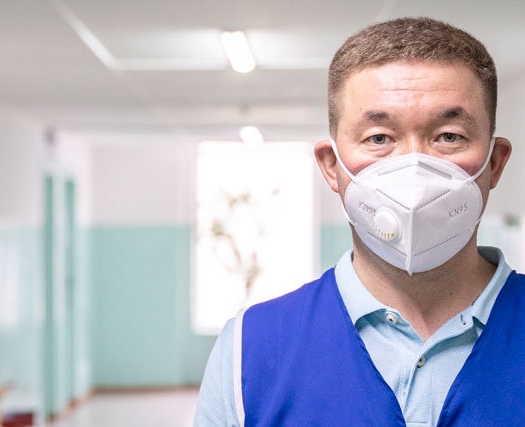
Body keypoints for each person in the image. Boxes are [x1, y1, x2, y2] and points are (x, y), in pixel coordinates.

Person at [194, 17, 521, 426]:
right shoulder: (251, 350)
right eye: (379, 138)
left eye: (449, 136)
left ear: (493, 163)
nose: (413, 167)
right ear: (332, 167)